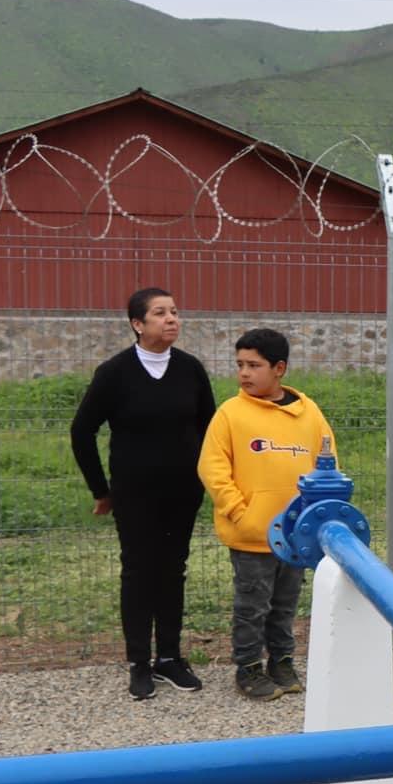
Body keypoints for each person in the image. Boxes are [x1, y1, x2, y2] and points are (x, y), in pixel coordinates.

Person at [70, 287, 217, 702]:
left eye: (174, 311)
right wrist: (101, 490)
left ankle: (169, 657)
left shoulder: (190, 370)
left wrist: (210, 479)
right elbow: (82, 431)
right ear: (138, 324)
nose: (172, 319)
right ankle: (138, 661)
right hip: (134, 493)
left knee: (173, 570)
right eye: (160, 313)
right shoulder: (115, 372)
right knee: (138, 572)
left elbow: (211, 429)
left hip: (183, 492)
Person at [198, 327, 334, 701]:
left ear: (279, 368)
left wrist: (315, 515)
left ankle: (282, 661)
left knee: (284, 604)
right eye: (240, 364)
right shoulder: (230, 414)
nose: (243, 373)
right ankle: (248, 668)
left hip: (294, 536)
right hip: (252, 534)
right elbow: (212, 468)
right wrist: (239, 511)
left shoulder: (310, 415)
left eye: (253, 365)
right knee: (251, 606)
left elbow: (327, 465)